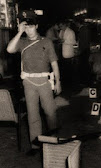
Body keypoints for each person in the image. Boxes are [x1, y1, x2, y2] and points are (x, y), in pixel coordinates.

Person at [7, 10, 61, 154]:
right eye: (25, 26)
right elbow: (9, 49)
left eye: (30, 26)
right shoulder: (22, 42)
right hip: (29, 82)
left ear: (36, 26)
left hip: (44, 81)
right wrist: (19, 33)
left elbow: (54, 63)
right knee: (32, 115)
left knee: (50, 111)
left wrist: (58, 81)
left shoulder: (46, 41)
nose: (28, 29)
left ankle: (53, 139)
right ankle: (35, 145)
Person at [58, 20, 77, 86]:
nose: (60, 27)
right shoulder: (61, 31)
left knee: (69, 69)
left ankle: (70, 83)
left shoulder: (71, 32)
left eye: (61, 26)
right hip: (62, 52)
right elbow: (60, 38)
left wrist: (64, 41)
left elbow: (74, 42)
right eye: (59, 26)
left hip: (68, 53)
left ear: (65, 25)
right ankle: (65, 82)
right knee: (64, 69)